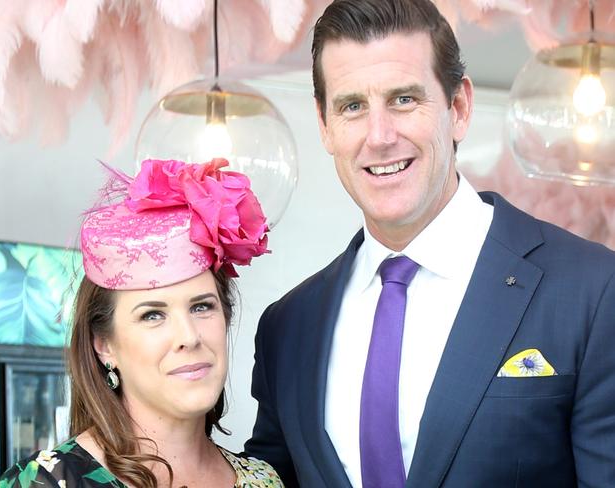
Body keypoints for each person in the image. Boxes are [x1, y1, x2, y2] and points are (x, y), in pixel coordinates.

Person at [244, 0, 615, 487]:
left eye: (403, 99)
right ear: (325, 125)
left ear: (458, 107)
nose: (379, 136)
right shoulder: (288, 328)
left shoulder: (593, 290)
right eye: (353, 106)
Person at [0, 158, 284, 487]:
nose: (188, 337)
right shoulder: (44, 482)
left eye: (202, 307)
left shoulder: (265, 480)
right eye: (153, 315)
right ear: (104, 344)